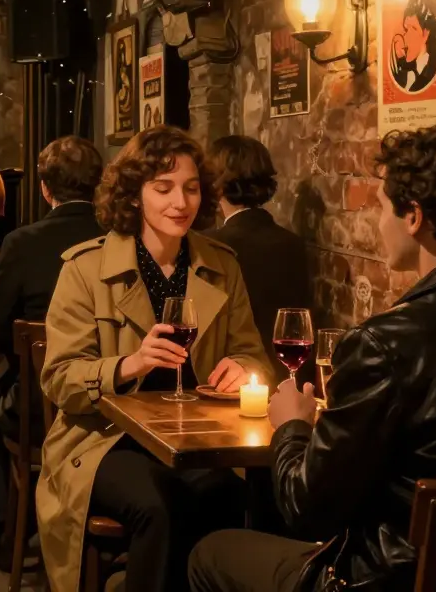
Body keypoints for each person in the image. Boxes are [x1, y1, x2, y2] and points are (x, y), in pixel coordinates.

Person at [189, 126, 436, 592]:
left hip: (380, 580)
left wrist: (292, 426)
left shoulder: (384, 343)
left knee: (211, 553)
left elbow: (306, 508)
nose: (374, 222)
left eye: (381, 207)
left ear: (414, 218)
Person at [37, 126, 272, 592]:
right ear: (134, 195)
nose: (180, 203)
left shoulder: (222, 264)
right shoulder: (85, 268)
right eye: (163, 189)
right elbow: (60, 379)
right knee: (159, 506)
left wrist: (245, 369)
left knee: (243, 497)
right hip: (103, 438)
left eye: (190, 188)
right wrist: (130, 365)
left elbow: (252, 354)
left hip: (197, 437)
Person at [0, 136, 105, 571]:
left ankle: (11, 530)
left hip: (42, 404)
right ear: (99, 184)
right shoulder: (120, 237)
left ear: (46, 189)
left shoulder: (23, 243)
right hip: (113, 399)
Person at [205, 135, 312, 383]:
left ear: (216, 185)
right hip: (289, 376)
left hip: (231, 377)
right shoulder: (292, 243)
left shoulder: (214, 247)